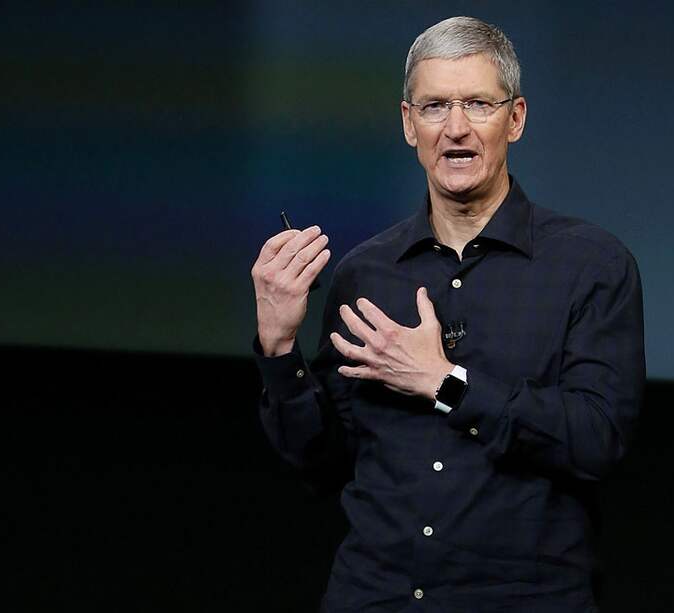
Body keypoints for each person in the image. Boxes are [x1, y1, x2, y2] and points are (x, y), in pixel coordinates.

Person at [251, 16, 644, 613]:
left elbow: (597, 442)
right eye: (434, 106)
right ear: (409, 124)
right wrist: (280, 349)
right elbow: (321, 464)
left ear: (515, 118)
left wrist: (446, 384)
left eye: (478, 104)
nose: (455, 128)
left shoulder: (590, 265)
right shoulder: (366, 273)